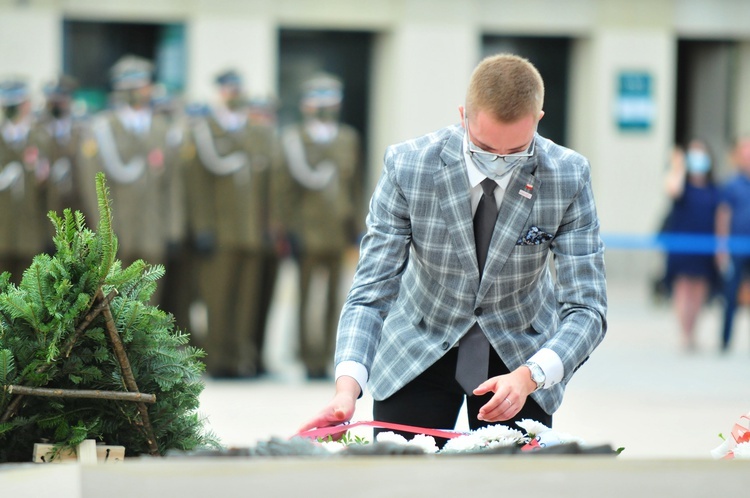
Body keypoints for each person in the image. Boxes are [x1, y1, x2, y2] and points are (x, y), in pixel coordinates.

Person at [299, 54, 607, 443]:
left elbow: (587, 308)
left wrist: (533, 375)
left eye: (515, 153)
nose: (498, 163)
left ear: (538, 119)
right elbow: (370, 292)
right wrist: (347, 389)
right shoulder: (409, 166)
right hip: (418, 345)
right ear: (463, 115)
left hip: (520, 354)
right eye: (482, 148)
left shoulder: (568, 175)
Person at [184, 69, 283, 378]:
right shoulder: (205, 131)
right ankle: (218, 361)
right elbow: (197, 186)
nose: (233, 94)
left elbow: (271, 184)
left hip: (252, 231)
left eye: (237, 89)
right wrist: (202, 228)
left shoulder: (257, 133)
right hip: (220, 230)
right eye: (227, 89)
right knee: (218, 299)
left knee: (247, 301)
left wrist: (270, 227)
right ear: (219, 93)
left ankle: (242, 358)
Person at [78, 55, 183, 306]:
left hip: (152, 229)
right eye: (137, 86)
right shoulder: (102, 129)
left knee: (148, 305)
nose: (144, 91)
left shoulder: (160, 128)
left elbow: (172, 184)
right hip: (118, 231)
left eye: (145, 85)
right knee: (113, 306)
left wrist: (173, 229)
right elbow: (93, 186)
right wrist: (104, 231)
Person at [280, 72, 363, 380]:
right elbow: (284, 189)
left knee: (334, 299)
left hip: (338, 230)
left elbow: (354, 185)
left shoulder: (347, 138)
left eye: (331, 101)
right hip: (307, 229)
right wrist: (288, 229)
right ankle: (307, 357)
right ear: (307, 106)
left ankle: (329, 355)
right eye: (319, 101)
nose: (326, 107)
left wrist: (357, 226)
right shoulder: (296, 140)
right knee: (305, 298)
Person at [661, 139, 720, 352]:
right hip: (681, 246)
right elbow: (671, 189)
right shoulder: (681, 183)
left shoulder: (714, 188)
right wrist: (677, 165)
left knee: (699, 292)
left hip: (705, 247)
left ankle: (693, 332)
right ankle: (684, 334)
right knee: (683, 289)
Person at [0, 78, 48, 284]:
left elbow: (48, 189)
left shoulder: (40, 137)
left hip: (31, 230)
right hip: (3, 229)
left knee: (29, 291)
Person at [716, 135, 750, 352]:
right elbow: (723, 216)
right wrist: (722, 247)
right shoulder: (731, 185)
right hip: (736, 248)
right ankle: (725, 340)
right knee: (731, 295)